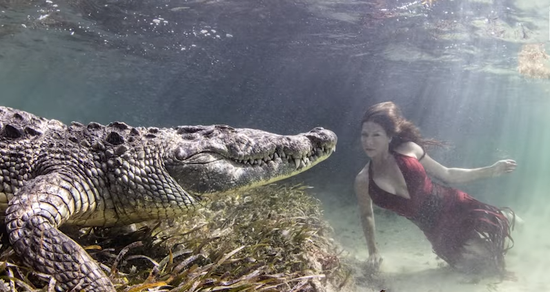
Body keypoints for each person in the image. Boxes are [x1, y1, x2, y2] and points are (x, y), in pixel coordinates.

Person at [354, 101, 517, 277]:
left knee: (497, 259)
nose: (368, 142)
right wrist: (373, 251)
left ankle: (515, 223)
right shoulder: (363, 180)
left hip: (455, 205)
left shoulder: (409, 150)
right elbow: (366, 215)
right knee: (477, 268)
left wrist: (491, 170)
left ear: (390, 136)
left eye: (376, 135)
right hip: (436, 231)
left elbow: (448, 174)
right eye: (364, 135)